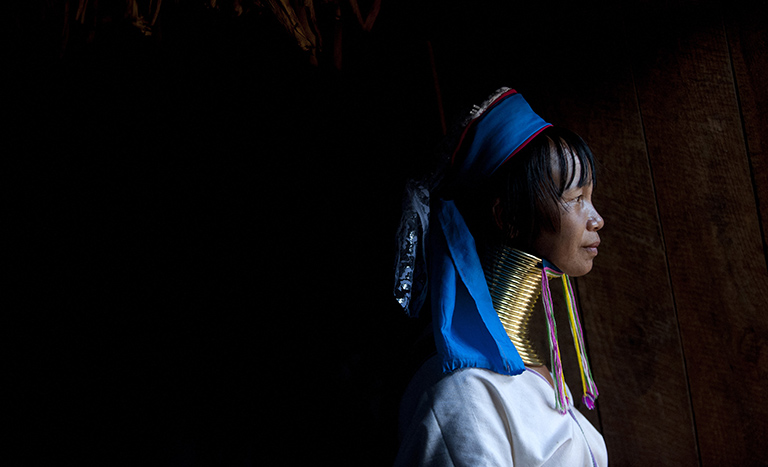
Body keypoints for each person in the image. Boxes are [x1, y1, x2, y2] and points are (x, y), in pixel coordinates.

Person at [392, 88, 608, 466]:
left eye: (590, 198)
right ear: (507, 217)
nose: (597, 219)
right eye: (576, 198)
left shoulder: (526, 375)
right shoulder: (462, 395)